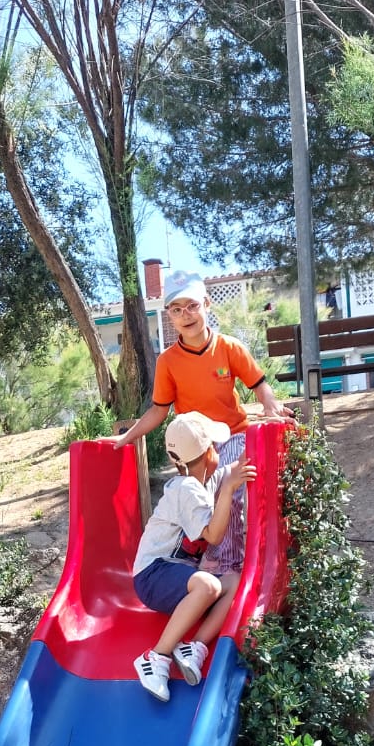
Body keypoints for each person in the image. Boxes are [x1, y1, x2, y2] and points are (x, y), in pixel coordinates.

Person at [113, 270, 289, 575]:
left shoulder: (229, 347)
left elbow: (259, 384)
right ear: (169, 315)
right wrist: (128, 436)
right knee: (195, 499)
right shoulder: (168, 361)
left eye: (192, 306)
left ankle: (230, 563)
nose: (186, 315)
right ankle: (204, 557)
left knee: (228, 488)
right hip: (196, 444)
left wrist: (270, 403)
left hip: (232, 434)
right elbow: (158, 410)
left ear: (206, 304)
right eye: (176, 309)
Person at [130, 412, 255, 702]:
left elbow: (237, 466)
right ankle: (155, 656)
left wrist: (265, 431)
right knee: (209, 586)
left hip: (175, 578)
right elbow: (213, 535)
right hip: (152, 574)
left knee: (234, 582)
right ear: (210, 452)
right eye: (216, 446)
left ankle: (194, 646)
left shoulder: (205, 480)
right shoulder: (185, 489)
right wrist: (228, 490)